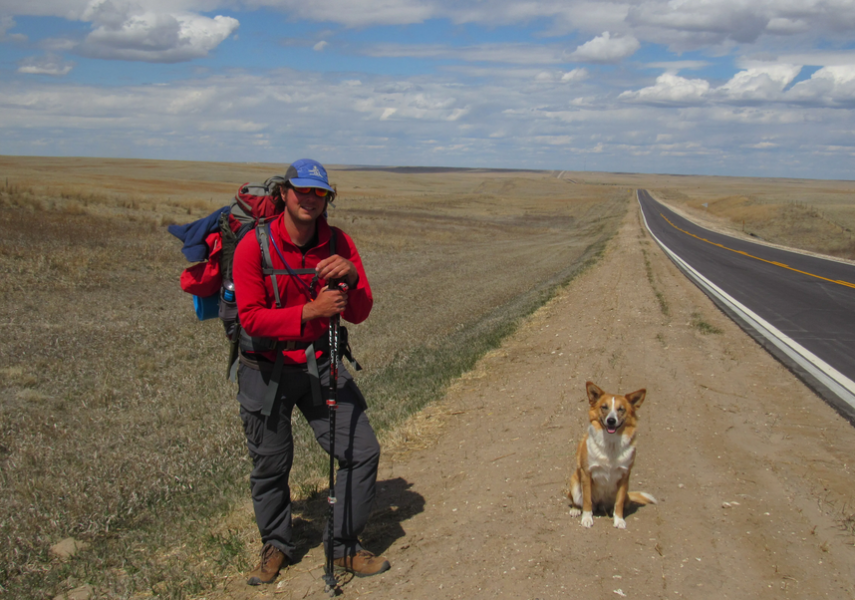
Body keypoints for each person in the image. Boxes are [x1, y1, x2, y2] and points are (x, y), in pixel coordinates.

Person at [231, 158, 390, 585]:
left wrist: (353, 276)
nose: (309, 199)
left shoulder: (338, 242)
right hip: (264, 370)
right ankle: (276, 546)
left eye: (318, 193)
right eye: (301, 190)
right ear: (283, 193)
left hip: (321, 365)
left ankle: (343, 548)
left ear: (327, 199)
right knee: (271, 464)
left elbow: (360, 312)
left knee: (362, 451)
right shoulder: (253, 246)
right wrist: (310, 312)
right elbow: (250, 318)